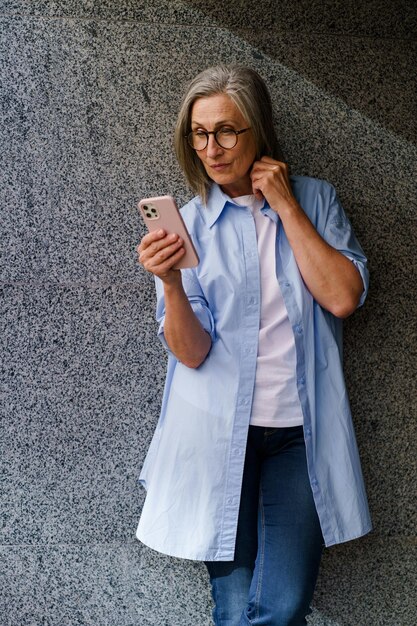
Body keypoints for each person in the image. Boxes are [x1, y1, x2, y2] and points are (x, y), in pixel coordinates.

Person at [136, 65, 372, 626]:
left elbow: (343, 298)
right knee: (236, 607)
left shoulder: (315, 200)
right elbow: (190, 353)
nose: (210, 149)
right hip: (219, 436)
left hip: (298, 437)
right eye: (199, 133)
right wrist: (169, 282)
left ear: (258, 131)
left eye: (226, 131)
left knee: (283, 605)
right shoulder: (188, 224)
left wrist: (285, 207)